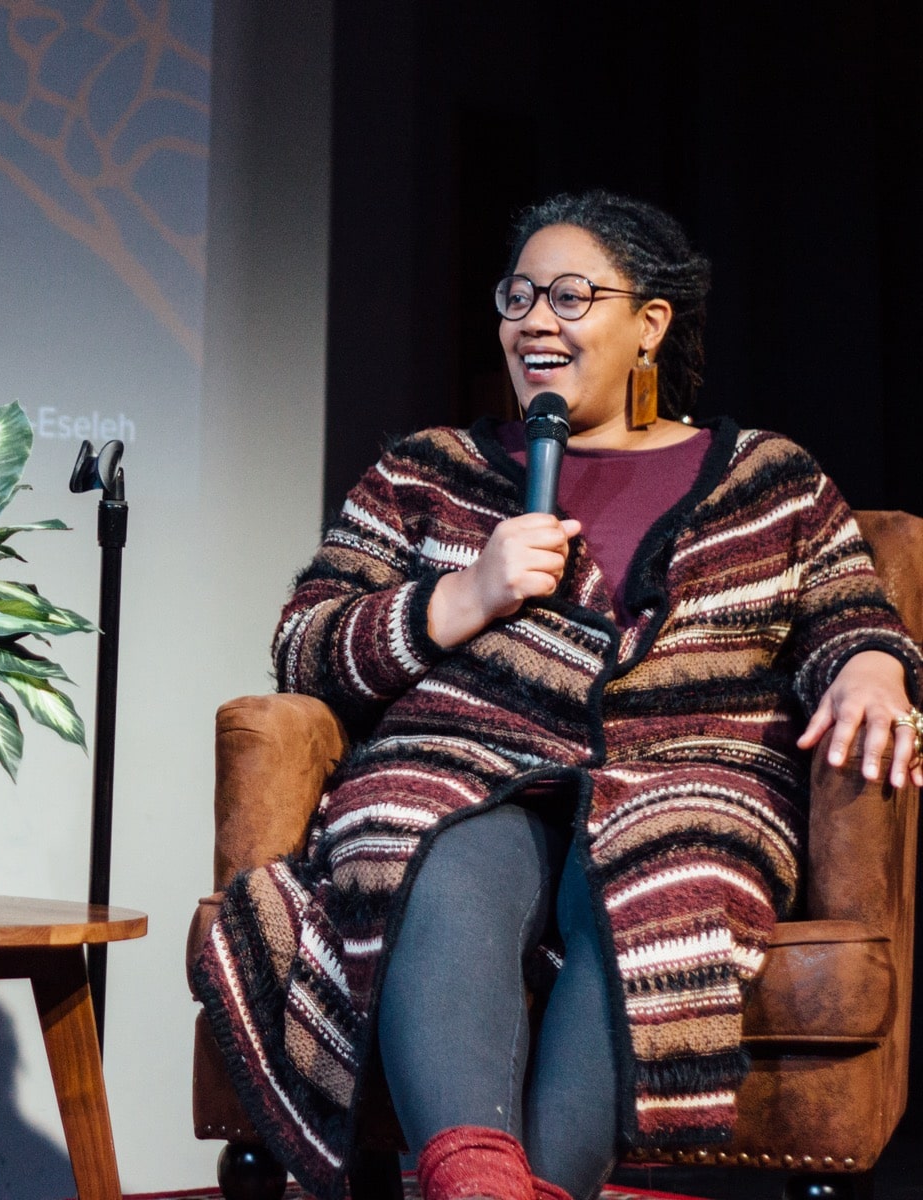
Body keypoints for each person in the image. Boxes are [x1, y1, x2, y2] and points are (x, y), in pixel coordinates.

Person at [190, 191, 923, 1200]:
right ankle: (479, 1180)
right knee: (424, 842)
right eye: (519, 296)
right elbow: (305, 647)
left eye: (572, 297)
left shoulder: (769, 478)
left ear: (649, 324)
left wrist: (875, 667)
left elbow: (849, 614)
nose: (536, 321)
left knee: (660, 869)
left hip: (687, 774)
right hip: (461, 761)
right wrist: (463, 596)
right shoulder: (425, 472)